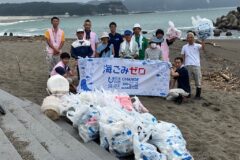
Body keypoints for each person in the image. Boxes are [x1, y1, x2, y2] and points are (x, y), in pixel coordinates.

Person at [181, 32, 205, 99]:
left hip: (196, 65)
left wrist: (203, 40)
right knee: (187, 81)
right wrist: (183, 65)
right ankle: (188, 94)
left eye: (191, 37)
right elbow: (183, 56)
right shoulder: (184, 47)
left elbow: (203, 48)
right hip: (187, 65)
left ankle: (198, 95)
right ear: (187, 39)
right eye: (188, 37)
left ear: (194, 38)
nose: (190, 39)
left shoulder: (197, 45)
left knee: (198, 80)